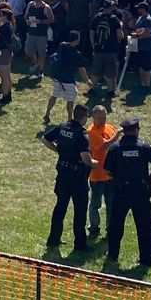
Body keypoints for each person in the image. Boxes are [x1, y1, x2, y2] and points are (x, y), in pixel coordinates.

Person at [104, 115, 151, 269]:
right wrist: (150, 179)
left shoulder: (115, 148)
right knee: (144, 226)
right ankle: (146, 260)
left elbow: (107, 170)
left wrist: (115, 179)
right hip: (140, 192)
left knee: (116, 224)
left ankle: (112, 254)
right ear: (136, 130)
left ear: (124, 131)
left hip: (121, 191)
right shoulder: (144, 147)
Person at [40, 103, 93, 252]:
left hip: (63, 173)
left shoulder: (63, 127)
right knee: (80, 211)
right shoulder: (82, 134)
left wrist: (58, 150)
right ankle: (80, 244)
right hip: (77, 177)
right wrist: (92, 163)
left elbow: (45, 139)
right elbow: (84, 156)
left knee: (60, 207)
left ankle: (53, 239)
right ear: (83, 118)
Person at [85, 102, 115, 243]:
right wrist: (119, 135)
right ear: (93, 118)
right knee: (95, 204)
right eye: (99, 118)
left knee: (111, 203)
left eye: (104, 117)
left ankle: (110, 228)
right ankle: (94, 227)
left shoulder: (109, 128)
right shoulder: (91, 132)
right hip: (97, 175)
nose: (102, 121)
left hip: (109, 175)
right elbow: (105, 145)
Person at [88, 0, 126, 97]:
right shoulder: (114, 19)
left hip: (98, 48)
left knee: (96, 70)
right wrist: (117, 40)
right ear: (111, 7)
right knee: (111, 71)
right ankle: (110, 91)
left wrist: (93, 44)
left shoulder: (96, 18)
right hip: (111, 49)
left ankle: (92, 89)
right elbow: (120, 35)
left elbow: (91, 33)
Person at [45, 30, 84, 125]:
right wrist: (87, 80)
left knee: (54, 96)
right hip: (68, 79)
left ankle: (47, 114)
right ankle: (70, 119)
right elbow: (81, 69)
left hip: (57, 77)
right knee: (70, 100)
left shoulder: (62, 46)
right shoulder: (76, 53)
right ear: (76, 40)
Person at [130, 1, 151, 91]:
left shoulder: (148, 20)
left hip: (146, 46)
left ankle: (147, 85)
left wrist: (137, 36)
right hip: (139, 46)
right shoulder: (141, 18)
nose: (137, 10)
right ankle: (142, 83)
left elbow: (148, 33)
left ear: (142, 9)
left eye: (139, 8)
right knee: (140, 65)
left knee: (146, 66)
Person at [24, 0, 52, 76]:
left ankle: (41, 70)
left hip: (41, 34)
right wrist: (27, 21)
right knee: (28, 50)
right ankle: (35, 62)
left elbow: (51, 19)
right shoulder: (30, 4)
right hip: (31, 32)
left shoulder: (45, 7)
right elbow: (25, 16)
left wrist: (41, 21)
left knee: (41, 53)